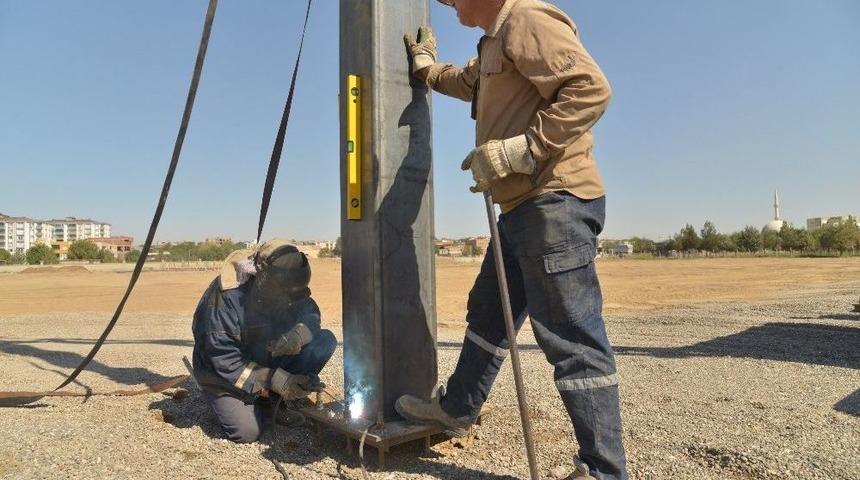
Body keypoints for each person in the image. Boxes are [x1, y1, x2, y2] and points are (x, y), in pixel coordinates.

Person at [398, 1, 628, 478]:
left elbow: (590, 89)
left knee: (572, 342)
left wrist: (524, 148)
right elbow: (466, 83)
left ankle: (604, 471)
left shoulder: (528, 20)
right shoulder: (494, 42)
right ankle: (459, 408)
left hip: (554, 203)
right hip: (523, 208)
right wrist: (425, 69)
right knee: (489, 311)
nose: (450, 4)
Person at [191, 239, 337, 443]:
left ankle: (273, 401)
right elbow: (224, 360)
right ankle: (227, 398)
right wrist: (277, 380)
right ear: (264, 281)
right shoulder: (226, 299)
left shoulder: (286, 284)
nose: (288, 302)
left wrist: (299, 334)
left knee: (324, 341)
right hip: (222, 372)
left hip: (262, 356)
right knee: (248, 432)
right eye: (284, 297)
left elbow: (309, 311)